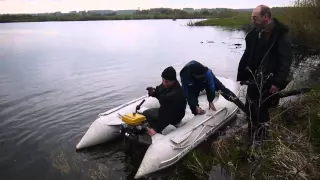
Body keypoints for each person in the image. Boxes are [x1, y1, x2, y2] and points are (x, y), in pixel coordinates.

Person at [236, 5, 293, 141]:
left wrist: (277, 83)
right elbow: (250, 56)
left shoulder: (280, 35)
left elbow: (286, 62)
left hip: (270, 80)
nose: (253, 20)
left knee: (261, 108)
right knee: (249, 106)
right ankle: (251, 134)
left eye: (255, 18)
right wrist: (244, 75)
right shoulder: (256, 33)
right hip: (255, 78)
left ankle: (262, 138)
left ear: (266, 17)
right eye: (252, 18)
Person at [143, 66, 187, 136]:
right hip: (166, 109)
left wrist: (156, 129)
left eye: (166, 82)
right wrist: (154, 92)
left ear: (173, 81)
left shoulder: (176, 93)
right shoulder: (166, 84)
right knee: (146, 113)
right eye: (163, 80)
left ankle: (155, 133)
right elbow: (159, 92)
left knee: (148, 115)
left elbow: (167, 114)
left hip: (176, 115)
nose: (164, 83)